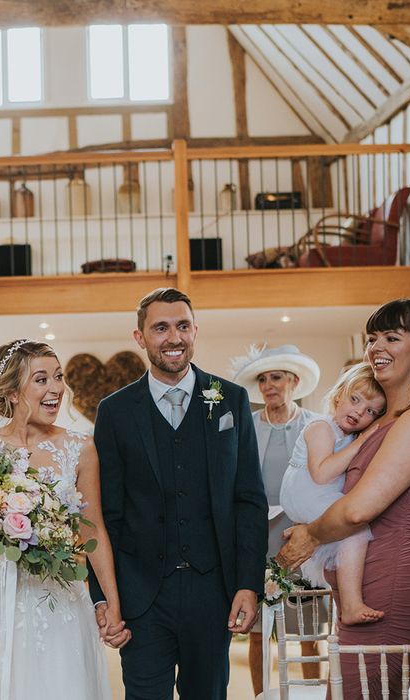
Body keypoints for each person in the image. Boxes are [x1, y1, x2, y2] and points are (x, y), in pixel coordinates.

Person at [89, 287, 268, 700]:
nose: (174, 337)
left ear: (195, 330)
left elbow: (250, 501)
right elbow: (104, 514)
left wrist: (248, 584)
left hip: (212, 592)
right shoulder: (115, 412)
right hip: (142, 595)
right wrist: (105, 598)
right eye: (161, 328)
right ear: (140, 337)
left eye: (183, 326)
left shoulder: (232, 400)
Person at [279, 298, 410, 698]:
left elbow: (358, 508)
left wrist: (309, 536)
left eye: (392, 337)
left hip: (386, 596)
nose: (377, 347)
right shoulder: (383, 420)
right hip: (365, 594)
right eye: (373, 338)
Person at [0, 340, 124, 700]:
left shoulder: (80, 447)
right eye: (41, 379)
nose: (56, 388)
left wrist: (113, 603)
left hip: (57, 599)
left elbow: (93, 529)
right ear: (12, 392)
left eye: (58, 377)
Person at [231, 343, 322, 694]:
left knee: (307, 631)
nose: (270, 385)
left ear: (294, 381)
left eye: (278, 378)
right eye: (264, 379)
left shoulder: (316, 426)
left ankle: (311, 692)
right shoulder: (247, 425)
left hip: (301, 537)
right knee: (259, 633)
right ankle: (260, 694)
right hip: (257, 537)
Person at [279, 362, 386, 624]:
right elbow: (322, 473)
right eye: (355, 399)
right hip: (307, 490)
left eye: (370, 410)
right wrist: (361, 443)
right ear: (339, 395)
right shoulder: (321, 427)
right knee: (355, 529)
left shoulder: (345, 434)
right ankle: (350, 605)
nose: (359, 411)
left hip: (315, 493)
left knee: (361, 530)